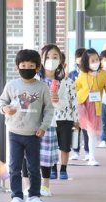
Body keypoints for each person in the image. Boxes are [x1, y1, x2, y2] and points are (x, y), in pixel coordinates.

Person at [0, 49, 53, 202]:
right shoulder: (11, 85)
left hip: (34, 134)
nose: (26, 68)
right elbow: (2, 102)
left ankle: (34, 195)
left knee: (34, 166)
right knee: (14, 166)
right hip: (14, 132)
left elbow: (49, 109)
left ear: (37, 68)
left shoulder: (42, 87)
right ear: (17, 67)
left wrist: (43, 127)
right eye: (23, 65)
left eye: (31, 65)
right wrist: (5, 109)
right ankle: (16, 197)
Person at [39, 44, 77, 184]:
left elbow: (73, 101)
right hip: (46, 121)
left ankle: (63, 169)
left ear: (61, 61)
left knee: (64, 146)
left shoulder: (67, 82)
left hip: (64, 118)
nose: (51, 60)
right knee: (50, 147)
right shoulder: (38, 81)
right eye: (47, 57)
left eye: (55, 57)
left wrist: (75, 118)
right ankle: (51, 170)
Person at [75, 48, 106, 166]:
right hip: (82, 104)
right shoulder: (82, 73)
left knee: (92, 133)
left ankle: (91, 157)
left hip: (95, 106)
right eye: (92, 60)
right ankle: (77, 152)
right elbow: (77, 86)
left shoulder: (103, 74)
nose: (95, 62)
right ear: (86, 62)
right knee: (79, 129)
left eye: (96, 59)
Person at [68, 47, 89, 161]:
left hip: (87, 105)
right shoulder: (72, 74)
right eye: (78, 57)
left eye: (83, 57)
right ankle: (75, 151)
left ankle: (87, 151)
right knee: (75, 129)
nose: (80, 59)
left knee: (86, 130)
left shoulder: (90, 74)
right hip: (75, 106)